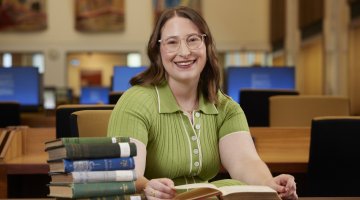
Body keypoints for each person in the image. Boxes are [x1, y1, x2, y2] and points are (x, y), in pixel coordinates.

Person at [107, 6, 298, 200]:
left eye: (193, 40)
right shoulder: (136, 102)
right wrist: (148, 187)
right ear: (158, 51)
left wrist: (268, 184)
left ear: (206, 45)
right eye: (172, 42)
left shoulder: (225, 106)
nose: (184, 51)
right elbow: (127, 175)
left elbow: (244, 161)